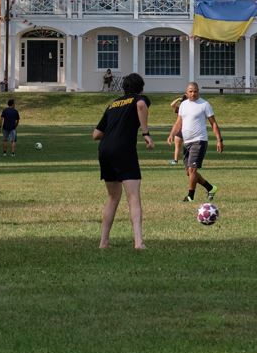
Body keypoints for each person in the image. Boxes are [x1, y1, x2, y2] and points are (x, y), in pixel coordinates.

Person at [94, 71, 153, 249]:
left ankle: (103, 242)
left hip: (105, 150)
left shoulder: (113, 104)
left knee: (113, 196)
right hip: (123, 149)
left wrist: (114, 128)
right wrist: (145, 133)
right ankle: (138, 242)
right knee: (133, 196)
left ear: (124, 88)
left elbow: (96, 134)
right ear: (141, 88)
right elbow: (141, 106)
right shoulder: (139, 99)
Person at [166, 81, 222, 203]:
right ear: (186, 93)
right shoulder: (183, 105)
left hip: (199, 140)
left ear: (198, 92)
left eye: (195, 91)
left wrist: (219, 139)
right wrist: (172, 134)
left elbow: (213, 123)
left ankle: (190, 196)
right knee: (189, 172)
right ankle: (210, 188)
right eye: (190, 91)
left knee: (192, 170)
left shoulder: (204, 104)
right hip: (187, 142)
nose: (193, 94)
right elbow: (178, 122)